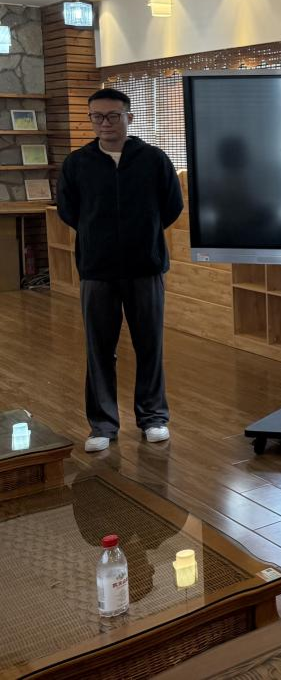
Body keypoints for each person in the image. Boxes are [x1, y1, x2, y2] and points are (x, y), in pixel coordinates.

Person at [56, 87, 183, 453]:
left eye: (113, 116)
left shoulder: (154, 159)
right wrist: (98, 236)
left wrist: (143, 234)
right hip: (97, 269)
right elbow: (69, 210)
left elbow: (171, 206)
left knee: (149, 345)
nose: (105, 123)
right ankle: (102, 425)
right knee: (99, 349)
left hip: (145, 266)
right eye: (97, 117)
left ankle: (153, 417)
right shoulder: (77, 163)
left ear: (129, 117)